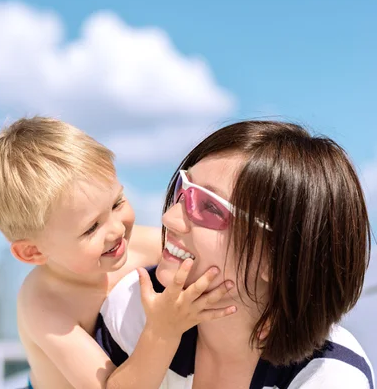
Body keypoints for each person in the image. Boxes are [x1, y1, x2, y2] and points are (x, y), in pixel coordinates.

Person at [96, 120, 374, 388]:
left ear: (278, 258)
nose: (170, 218)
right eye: (183, 190)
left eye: (210, 207)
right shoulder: (137, 306)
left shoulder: (330, 376)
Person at [0, 116, 237, 389]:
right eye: (91, 229)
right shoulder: (44, 302)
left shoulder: (141, 246)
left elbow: (210, 264)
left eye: (117, 203)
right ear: (33, 252)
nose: (115, 230)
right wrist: (164, 330)